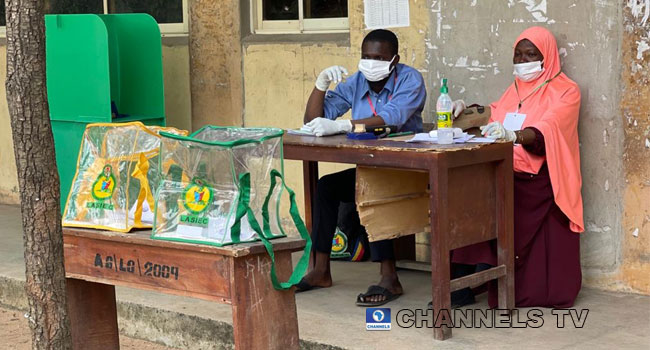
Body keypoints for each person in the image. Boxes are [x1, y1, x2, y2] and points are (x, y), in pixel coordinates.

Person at [297, 29, 461, 306]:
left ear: (394, 59)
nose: (370, 63)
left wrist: (344, 125)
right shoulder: (357, 81)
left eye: (378, 57)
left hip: (410, 168)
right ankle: (320, 269)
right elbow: (312, 119)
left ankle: (389, 277)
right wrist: (320, 85)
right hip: (372, 165)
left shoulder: (410, 79)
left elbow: (391, 119)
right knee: (326, 186)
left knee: (372, 186)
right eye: (366, 56)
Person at [451, 26, 584, 308]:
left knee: (489, 199)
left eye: (530, 54)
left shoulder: (566, 91)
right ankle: (463, 279)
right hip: (505, 167)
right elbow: (493, 112)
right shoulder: (514, 89)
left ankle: (481, 273)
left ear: (545, 56)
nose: (523, 62)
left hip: (542, 176)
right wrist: (465, 111)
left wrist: (515, 137)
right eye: (518, 55)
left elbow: (550, 128)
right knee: (462, 192)